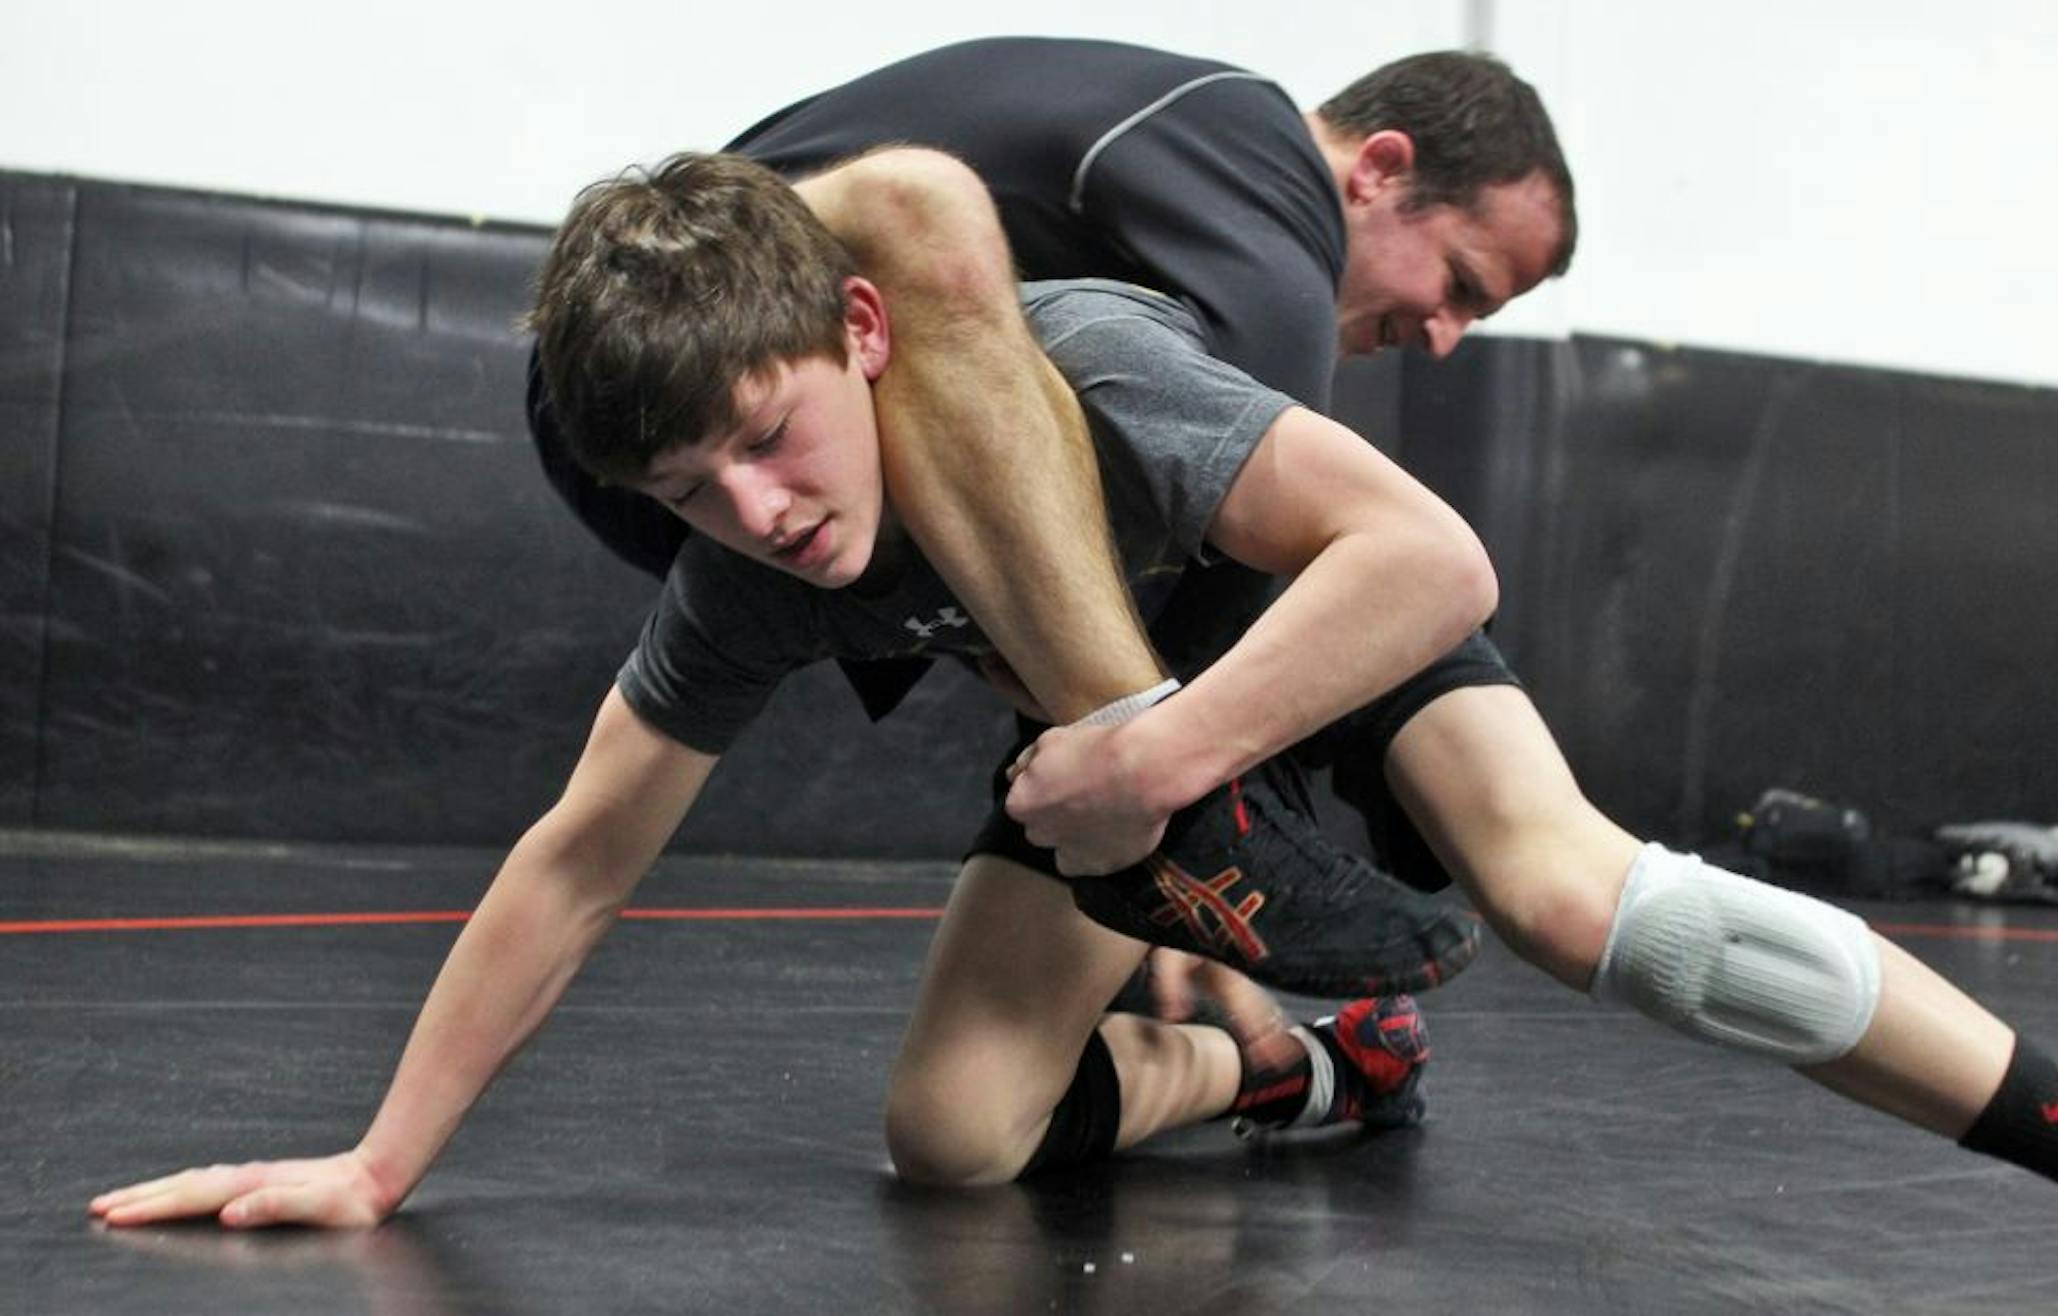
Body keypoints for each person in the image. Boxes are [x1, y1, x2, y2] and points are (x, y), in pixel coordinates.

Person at [88, 152, 1505, 1226]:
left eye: (769, 435)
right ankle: (1309, 1065)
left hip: (1301, 637)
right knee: (953, 1138)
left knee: (1552, 889)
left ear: (865, 327)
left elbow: (1432, 561)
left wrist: (1167, 754)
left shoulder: (1091, 371)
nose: (758, 513)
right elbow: (577, 859)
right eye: (688, 491)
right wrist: (377, 1164)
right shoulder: (749, 575)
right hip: (1097, 731)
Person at [527, 39, 1575, 882]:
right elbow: (1232, 572)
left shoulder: (1170, 201)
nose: (1446, 336)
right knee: (1248, 586)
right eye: (1461, 284)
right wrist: (1174, 791)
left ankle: (1204, 957)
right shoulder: (1258, 162)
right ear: (1379, 170)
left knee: (1118, 549)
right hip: (654, 360)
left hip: (679, 426)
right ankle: (1218, 850)